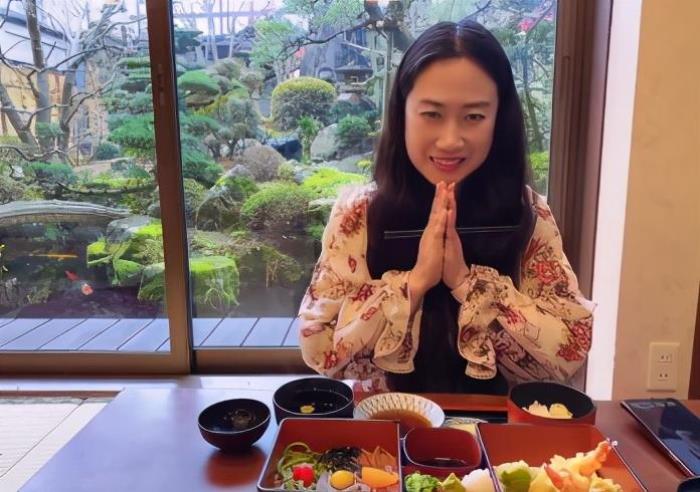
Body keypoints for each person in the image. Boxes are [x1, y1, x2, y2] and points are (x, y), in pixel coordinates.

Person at [297, 20, 594, 394]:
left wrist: (466, 282)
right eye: (432, 114)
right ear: (402, 112)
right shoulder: (358, 215)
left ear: (499, 119)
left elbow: (568, 353)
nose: (451, 140)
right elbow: (319, 349)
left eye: (474, 116)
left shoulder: (528, 215)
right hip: (383, 423)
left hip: (496, 427)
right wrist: (416, 282)